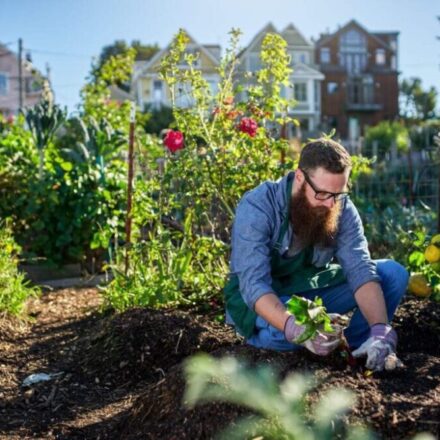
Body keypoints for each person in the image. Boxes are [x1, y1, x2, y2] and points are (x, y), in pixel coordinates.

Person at [224, 138, 408, 371]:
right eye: (322, 194)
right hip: (264, 298)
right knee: (287, 336)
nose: (331, 204)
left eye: (338, 194)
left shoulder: (340, 206)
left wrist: (381, 330)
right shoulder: (259, 206)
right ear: (300, 177)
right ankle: (260, 343)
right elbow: (254, 284)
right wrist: (294, 326)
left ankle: (361, 348)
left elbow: (360, 268)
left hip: (310, 290)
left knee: (393, 274)